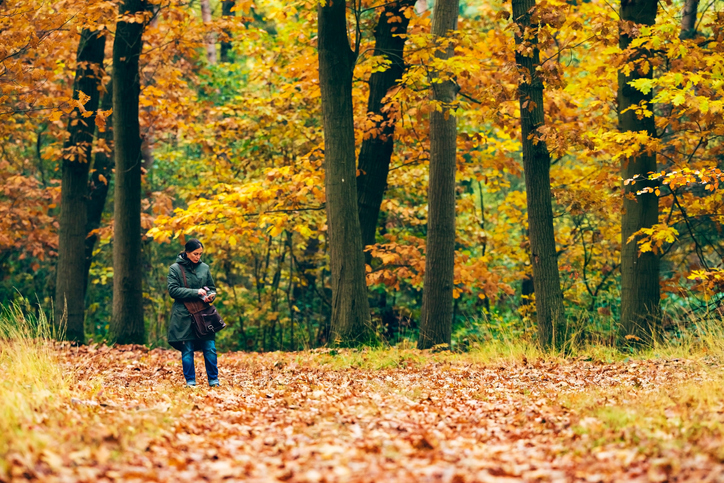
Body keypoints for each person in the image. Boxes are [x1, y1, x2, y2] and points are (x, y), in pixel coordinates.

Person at [167, 238, 220, 387]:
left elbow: (211, 287)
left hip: (204, 314)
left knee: (210, 348)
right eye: (195, 254)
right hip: (183, 315)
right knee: (187, 349)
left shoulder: (205, 268)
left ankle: (214, 381)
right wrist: (196, 292)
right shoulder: (175, 269)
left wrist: (211, 295)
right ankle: (190, 382)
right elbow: (173, 290)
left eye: (200, 254)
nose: (198, 257)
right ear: (187, 252)